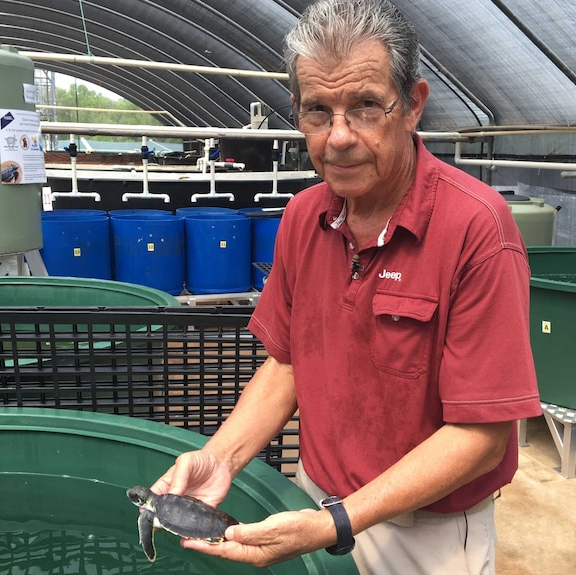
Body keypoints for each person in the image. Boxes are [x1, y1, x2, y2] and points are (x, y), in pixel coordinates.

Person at [150, 0, 540, 572]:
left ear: (412, 106)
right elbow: (287, 364)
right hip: (314, 492)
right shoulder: (304, 217)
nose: (338, 137)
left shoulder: (475, 228)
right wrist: (219, 459)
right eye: (317, 111)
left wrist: (338, 522)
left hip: (422, 529)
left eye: (364, 107)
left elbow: (482, 435)